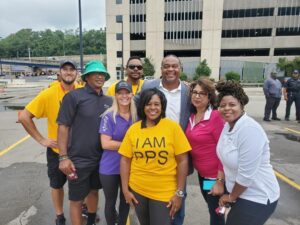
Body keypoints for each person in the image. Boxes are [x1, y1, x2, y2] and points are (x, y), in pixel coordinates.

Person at [19, 60, 79, 225]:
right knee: (57, 185)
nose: (68, 72)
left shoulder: (82, 91)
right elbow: (24, 116)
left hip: (79, 151)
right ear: (59, 73)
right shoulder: (49, 94)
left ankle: (86, 208)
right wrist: (42, 140)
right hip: (57, 152)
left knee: (82, 184)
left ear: (76, 73)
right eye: (65, 69)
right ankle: (59, 216)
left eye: (72, 69)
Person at [119, 88, 191, 225]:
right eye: (148, 104)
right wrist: (125, 190)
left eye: (157, 104)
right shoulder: (133, 129)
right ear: (143, 106)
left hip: (164, 191)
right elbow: (125, 160)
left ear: (162, 106)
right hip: (138, 189)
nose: (153, 108)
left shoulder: (173, 127)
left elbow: (182, 161)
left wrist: (180, 193)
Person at [136, 54, 192, 225]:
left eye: (174, 66)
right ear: (161, 69)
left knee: (178, 197)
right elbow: (133, 103)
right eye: (166, 66)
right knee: (154, 200)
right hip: (154, 150)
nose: (170, 69)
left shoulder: (188, 91)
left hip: (177, 151)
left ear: (180, 68)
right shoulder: (149, 85)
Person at [216, 80, 280, 225]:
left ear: (241, 105)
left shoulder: (249, 130)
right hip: (241, 193)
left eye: (232, 105)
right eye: (222, 105)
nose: (227, 109)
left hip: (258, 195)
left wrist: (231, 196)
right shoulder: (228, 126)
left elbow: (246, 176)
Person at [57, 60, 112, 225]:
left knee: (94, 191)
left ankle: (90, 222)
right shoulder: (74, 96)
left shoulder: (109, 101)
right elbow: (63, 127)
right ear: (86, 77)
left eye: (102, 73)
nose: (99, 76)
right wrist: (63, 157)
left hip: (101, 159)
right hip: (78, 159)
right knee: (76, 200)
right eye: (95, 73)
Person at [185, 78, 225, 225]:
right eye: (194, 92)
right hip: (203, 176)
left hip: (215, 177)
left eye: (202, 93)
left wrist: (220, 181)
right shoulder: (191, 117)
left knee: (217, 214)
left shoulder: (215, 117)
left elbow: (224, 151)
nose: (197, 96)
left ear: (209, 97)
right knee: (213, 208)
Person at [99, 80, 137, 225]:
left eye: (127, 92)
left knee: (126, 199)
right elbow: (106, 143)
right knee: (110, 202)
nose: (124, 96)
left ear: (131, 94)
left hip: (130, 167)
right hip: (110, 167)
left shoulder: (136, 116)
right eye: (120, 93)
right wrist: (129, 146)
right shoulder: (109, 116)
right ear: (115, 96)